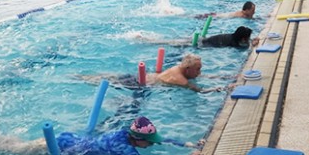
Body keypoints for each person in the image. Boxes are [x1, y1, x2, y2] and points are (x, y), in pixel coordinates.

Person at [0, 116, 204, 155]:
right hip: (67, 148)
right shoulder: (124, 149)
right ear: (137, 140)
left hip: (69, 137)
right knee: (14, 151)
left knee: (18, 146)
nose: (154, 144)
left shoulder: (125, 132)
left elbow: (162, 139)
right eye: (150, 142)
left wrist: (188, 144)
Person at [79, 54, 226, 93]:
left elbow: (197, 76)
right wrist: (218, 88)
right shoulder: (179, 79)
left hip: (142, 77)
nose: (200, 72)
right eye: (198, 69)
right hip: (138, 84)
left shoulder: (180, 68)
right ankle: (80, 79)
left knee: (108, 78)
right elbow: (199, 90)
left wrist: (221, 77)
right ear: (188, 69)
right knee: (105, 82)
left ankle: (82, 77)